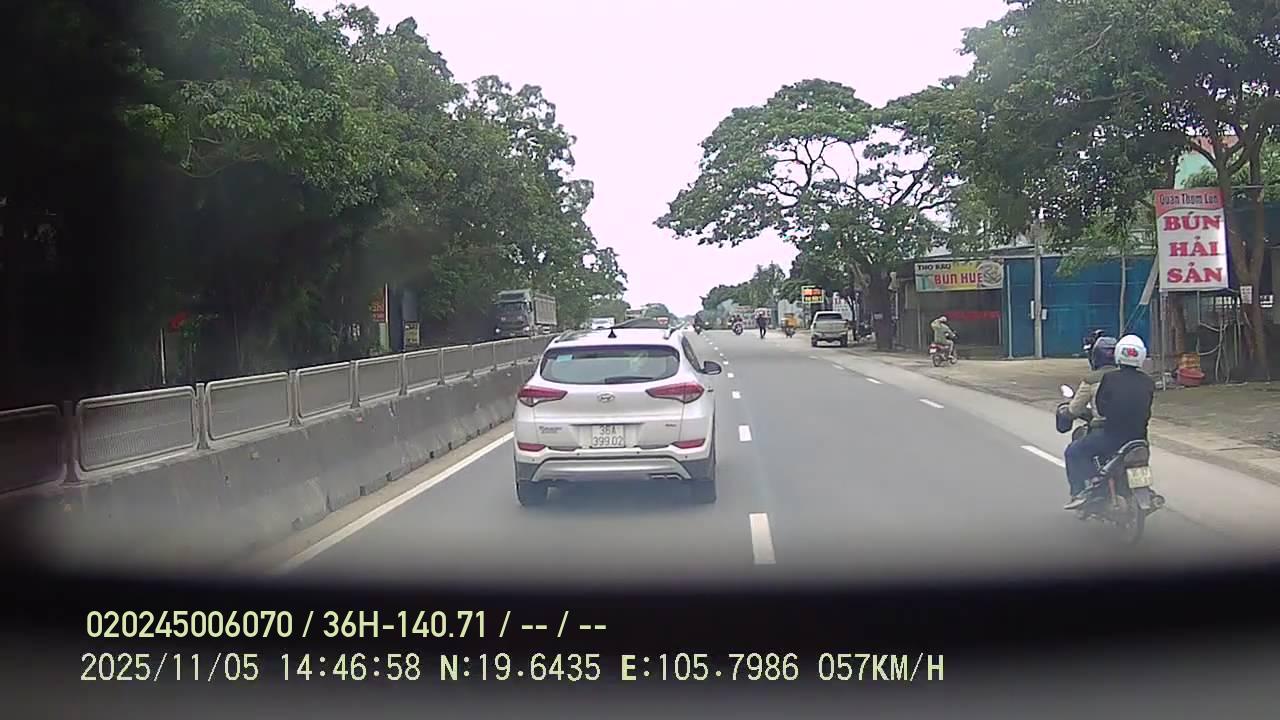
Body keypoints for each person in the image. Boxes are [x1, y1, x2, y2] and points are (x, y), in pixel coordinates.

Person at [1062, 334, 1155, 510]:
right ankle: (1144, 490)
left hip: (1111, 436)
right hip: (1140, 439)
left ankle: (1084, 491)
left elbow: (1101, 407)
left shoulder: (1109, 378)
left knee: (1073, 451)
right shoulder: (1148, 381)